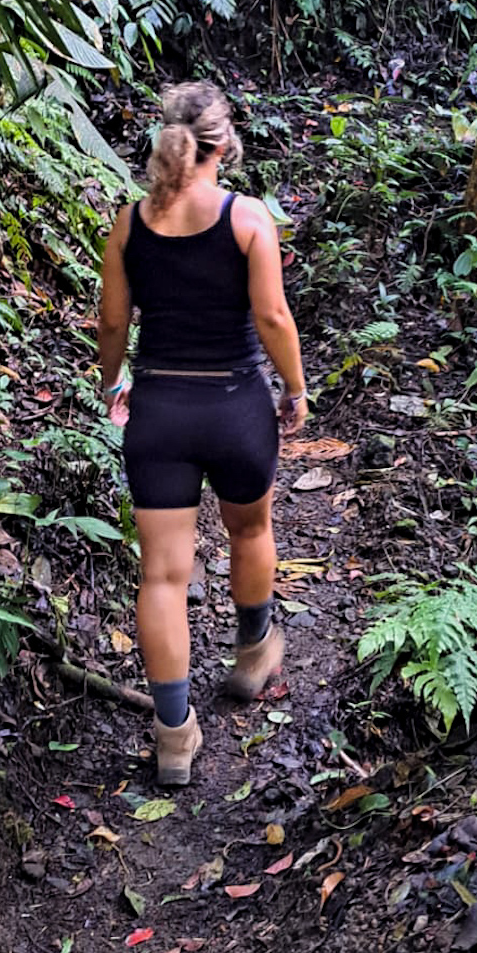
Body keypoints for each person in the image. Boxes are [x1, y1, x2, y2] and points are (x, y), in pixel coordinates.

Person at [98, 81, 308, 787]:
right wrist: (297, 389)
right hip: (235, 406)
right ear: (223, 146)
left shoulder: (129, 222)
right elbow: (274, 319)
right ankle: (253, 654)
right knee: (250, 530)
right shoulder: (248, 218)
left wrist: (111, 384)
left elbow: (111, 325)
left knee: (161, 574)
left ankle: (174, 734)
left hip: (159, 412)